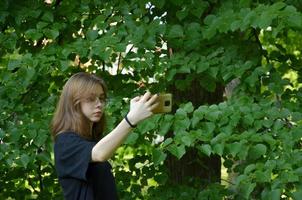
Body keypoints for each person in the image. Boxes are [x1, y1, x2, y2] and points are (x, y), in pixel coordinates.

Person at [51, 72, 159, 200]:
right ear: (74, 102)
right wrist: (131, 119)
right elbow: (99, 153)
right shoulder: (65, 142)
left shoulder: (90, 139)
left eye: (101, 98)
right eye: (91, 99)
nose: (99, 104)